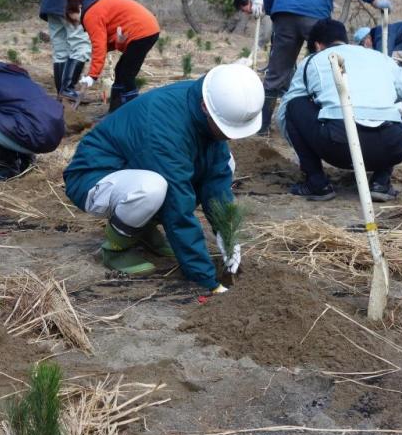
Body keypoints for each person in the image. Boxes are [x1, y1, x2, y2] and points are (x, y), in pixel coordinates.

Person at [64, 64, 264, 294]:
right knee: (154, 188)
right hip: (94, 175)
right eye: (224, 129)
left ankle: (144, 231)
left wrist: (227, 233)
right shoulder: (166, 127)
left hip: (134, 168)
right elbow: (177, 206)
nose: (228, 135)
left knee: (226, 161)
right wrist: (205, 278)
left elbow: (216, 178)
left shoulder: (210, 104)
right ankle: (115, 249)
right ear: (205, 108)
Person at [278, 19, 402, 202]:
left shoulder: (313, 60)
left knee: (294, 104)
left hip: (339, 147)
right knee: (395, 106)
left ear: (317, 45)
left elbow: (287, 109)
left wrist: (303, 144)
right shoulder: (379, 57)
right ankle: (381, 182)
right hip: (392, 147)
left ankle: (317, 183)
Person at [256, 0, 392, 136]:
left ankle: (261, 128)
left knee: (276, 73)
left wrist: (274, 10)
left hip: (284, 14)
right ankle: (328, 123)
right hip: (314, 13)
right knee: (327, 69)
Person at [0, 61, 66, 182]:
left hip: (34, 134)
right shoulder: (12, 74)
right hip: (54, 132)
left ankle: (8, 167)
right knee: (2, 116)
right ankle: (24, 159)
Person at [39, 0, 115, 100]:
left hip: (51, 0)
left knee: (61, 51)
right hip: (70, 2)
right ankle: (67, 89)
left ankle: (62, 95)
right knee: (81, 45)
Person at [65, 0, 160, 112]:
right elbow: (104, 44)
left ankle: (133, 113)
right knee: (120, 71)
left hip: (142, 32)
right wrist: (92, 72)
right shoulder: (97, 7)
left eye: (76, 18)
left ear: (79, 7)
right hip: (146, 29)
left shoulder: (90, 14)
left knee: (126, 75)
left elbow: (98, 46)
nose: (79, 23)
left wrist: (92, 76)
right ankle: (114, 111)